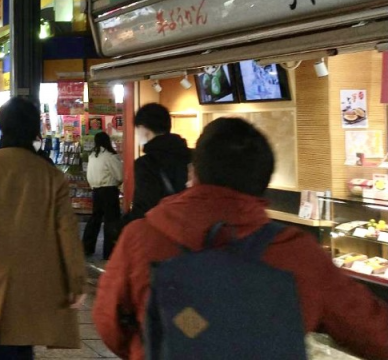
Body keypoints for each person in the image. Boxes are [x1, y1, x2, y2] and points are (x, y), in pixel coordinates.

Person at [94, 118, 388, 360]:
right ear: (263, 183)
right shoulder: (297, 252)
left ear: (193, 172)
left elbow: (109, 322)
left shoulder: (143, 236)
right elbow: (371, 331)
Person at [0, 97, 85, 360]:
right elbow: (67, 231)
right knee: (24, 339)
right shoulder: (51, 175)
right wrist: (76, 281)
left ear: (2, 127)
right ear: (36, 129)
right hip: (37, 271)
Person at [123, 103, 191, 222]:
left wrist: (119, 227)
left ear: (144, 129)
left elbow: (144, 207)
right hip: (189, 228)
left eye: (137, 130)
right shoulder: (193, 156)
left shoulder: (146, 163)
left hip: (162, 230)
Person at [83, 132, 123, 259]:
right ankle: (109, 252)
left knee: (95, 219)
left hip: (96, 190)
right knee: (111, 221)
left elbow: (89, 175)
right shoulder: (110, 156)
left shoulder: (93, 156)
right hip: (109, 190)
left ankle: (86, 247)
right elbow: (120, 175)